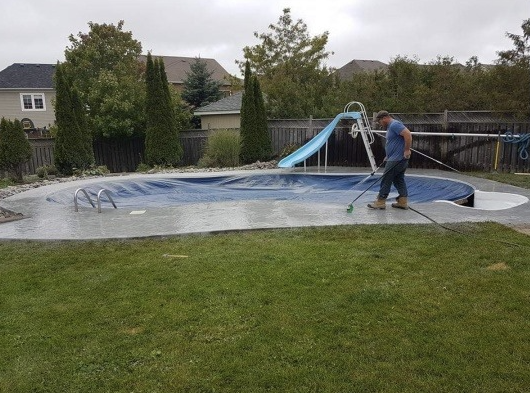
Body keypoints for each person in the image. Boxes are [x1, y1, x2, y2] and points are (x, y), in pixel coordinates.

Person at [367, 110, 412, 210]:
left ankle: (380, 201)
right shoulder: (391, 127)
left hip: (397, 159)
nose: (379, 124)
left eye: (379, 121)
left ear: (384, 118)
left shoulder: (394, 124)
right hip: (395, 158)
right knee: (398, 179)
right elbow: (395, 142)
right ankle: (402, 201)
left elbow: (407, 134)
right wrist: (388, 155)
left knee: (386, 179)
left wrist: (407, 150)